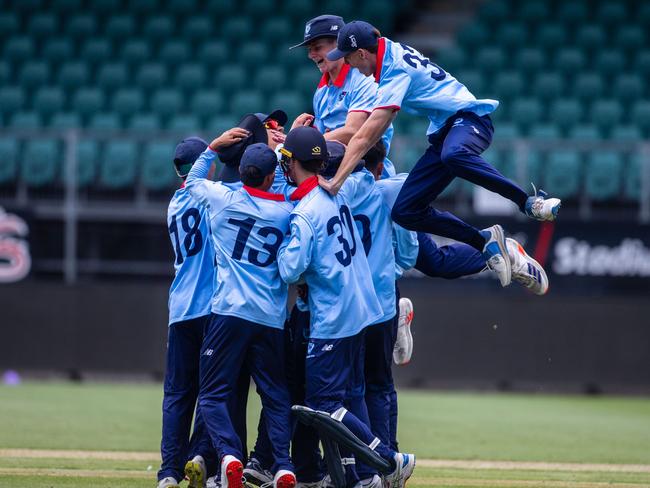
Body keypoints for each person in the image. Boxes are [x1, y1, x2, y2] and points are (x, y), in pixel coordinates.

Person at [320, 20, 562, 288]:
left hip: (470, 119)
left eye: (349, 58)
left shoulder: (394, 71)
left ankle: (528, 202)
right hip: (444, 132)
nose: (351, 65)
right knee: (405, 211)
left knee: (454, 156)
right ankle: (486, 241)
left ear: (362, 53)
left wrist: (335, 183)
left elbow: (364, 137)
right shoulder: (387, 52)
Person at [276, 126, 416, 488]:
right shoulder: (341, 191)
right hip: (363, 313)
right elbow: (366, 175)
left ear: (293, 163)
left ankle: (389, 461)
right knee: (352, 397)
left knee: (323, 403)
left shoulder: (307, 211)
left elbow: (289, 269)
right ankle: (360, 477)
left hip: (333, 319)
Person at [186, 130, 297, 488]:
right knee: (276, 396)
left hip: (229, 313)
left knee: (213, 392)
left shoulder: (222, 199)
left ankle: (230, 455)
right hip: (269, 317)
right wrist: (281, 148)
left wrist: (212, 148)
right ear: (268, 176)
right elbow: (280, 184)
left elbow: (191, 183)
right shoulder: (285, 211)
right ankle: (282, 466)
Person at [158, 137, 215, 488]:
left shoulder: (174, 203)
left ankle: (168, 472)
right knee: (213, 390)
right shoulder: (213, 200)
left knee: (178, 394)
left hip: (179, 309)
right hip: (211, 306)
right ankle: (200, 457)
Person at [289, 14, 395, 178]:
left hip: (369, 173)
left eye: (317, 47)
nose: (311, 55)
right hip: (333, 171)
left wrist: (302, 141)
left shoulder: (363, 79)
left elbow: (354, 131)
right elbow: (324, 141)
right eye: (309, 50)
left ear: (339, 44)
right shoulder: (321, 91)